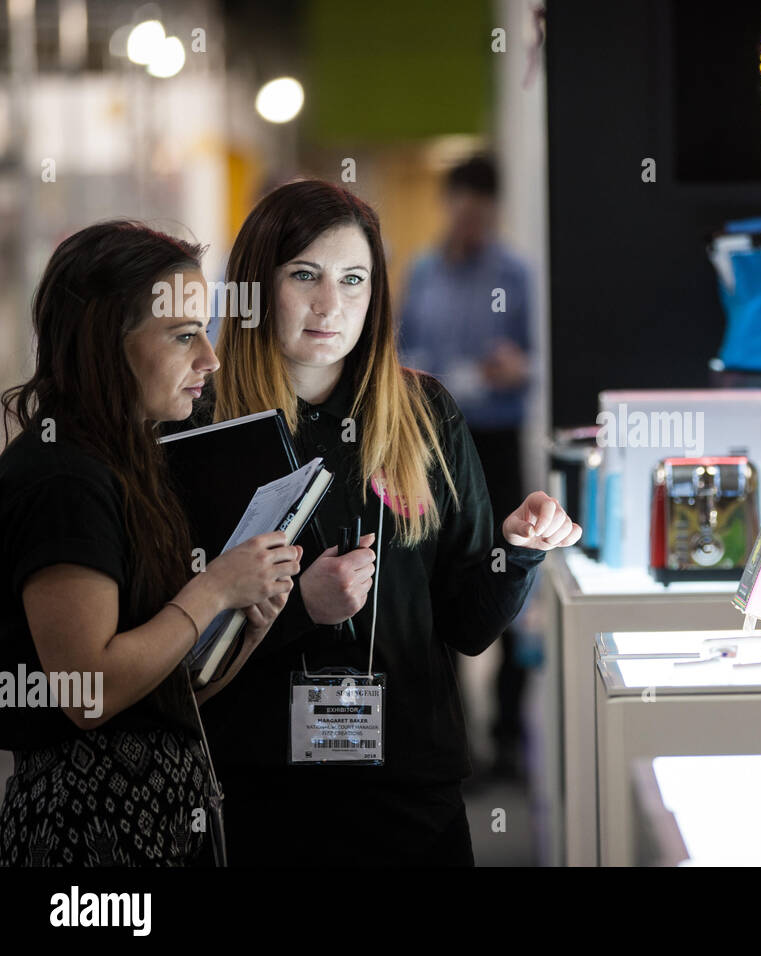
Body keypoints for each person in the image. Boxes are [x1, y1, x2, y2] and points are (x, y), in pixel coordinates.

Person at [196, 179, 580, 866]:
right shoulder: (206, 430)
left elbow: (468, 626)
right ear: (257, 285)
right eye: (304, 276)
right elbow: (177, 642)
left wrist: (517, 550)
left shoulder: (425, 413)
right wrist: (295, 610)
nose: (329, 305)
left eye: (353, 279)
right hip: (259, 789)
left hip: (409, 788)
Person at [0, 221, 301, 866]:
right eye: (184, 335)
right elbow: (89, 692)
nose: (210, 360)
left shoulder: (129, 461)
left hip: (159, 820)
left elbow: (167, 692)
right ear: (108, 341)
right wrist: (214, 588)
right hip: (88, 837)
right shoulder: (62, 477)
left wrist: (244, 627)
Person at [398, 154, 534, 778]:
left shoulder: (516, 273)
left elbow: (532, 363)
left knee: (503, 576)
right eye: (464, 209)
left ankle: (508, 736)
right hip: (432, 443)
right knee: (440, 579)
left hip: (497, 439)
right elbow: (399, 356)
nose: (472, 223)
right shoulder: (422, 273)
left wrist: (517, 369)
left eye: (485, 214)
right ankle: (456, 738)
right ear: (449, 204)